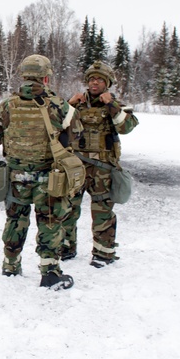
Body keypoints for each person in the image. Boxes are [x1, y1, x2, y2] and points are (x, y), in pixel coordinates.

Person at [0, 54, 76, 289]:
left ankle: (10, 265)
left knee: (15, 219)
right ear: (46, 78)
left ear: (24, 76)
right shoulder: (60, 106)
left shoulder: (6, 105)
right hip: (48, 177)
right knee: (50, 222)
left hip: (16, 176)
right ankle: (49, 272)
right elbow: (77, 137)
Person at [63, 60, 139, 268]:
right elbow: (57, 125)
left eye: (99, 80)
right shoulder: (76, 104)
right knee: (68, 208)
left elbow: (127, 127)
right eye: (91, 79)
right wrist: (69, 105)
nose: (94, 83)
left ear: (107, 83)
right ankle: (66, 248)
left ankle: (103, 253)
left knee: (102, 212)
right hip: (76, 167)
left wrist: (111, 105)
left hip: (103, 169)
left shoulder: (114, 105)